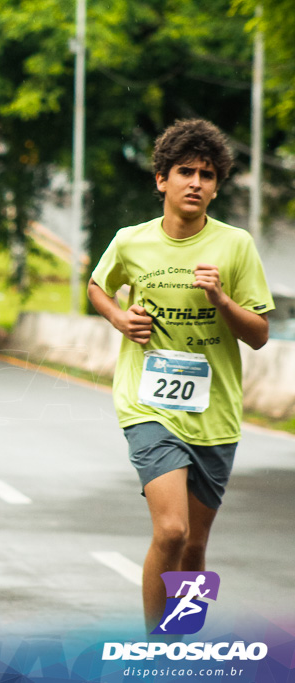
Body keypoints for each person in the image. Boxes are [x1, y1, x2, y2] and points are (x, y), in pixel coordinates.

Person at [87, 119, 274, 633]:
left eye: (207, 174)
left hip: (214, 412)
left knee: (194, 544)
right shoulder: (131, 241)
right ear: (161, 180)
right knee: (171, 530)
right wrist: (120, 318)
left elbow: (258, 333)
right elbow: (97, 286)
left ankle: (183, 641)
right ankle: (156, 645)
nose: (196, 182)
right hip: (148, 404)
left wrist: (221, 300)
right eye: (185, 171)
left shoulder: (235, 246)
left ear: (217, 185)